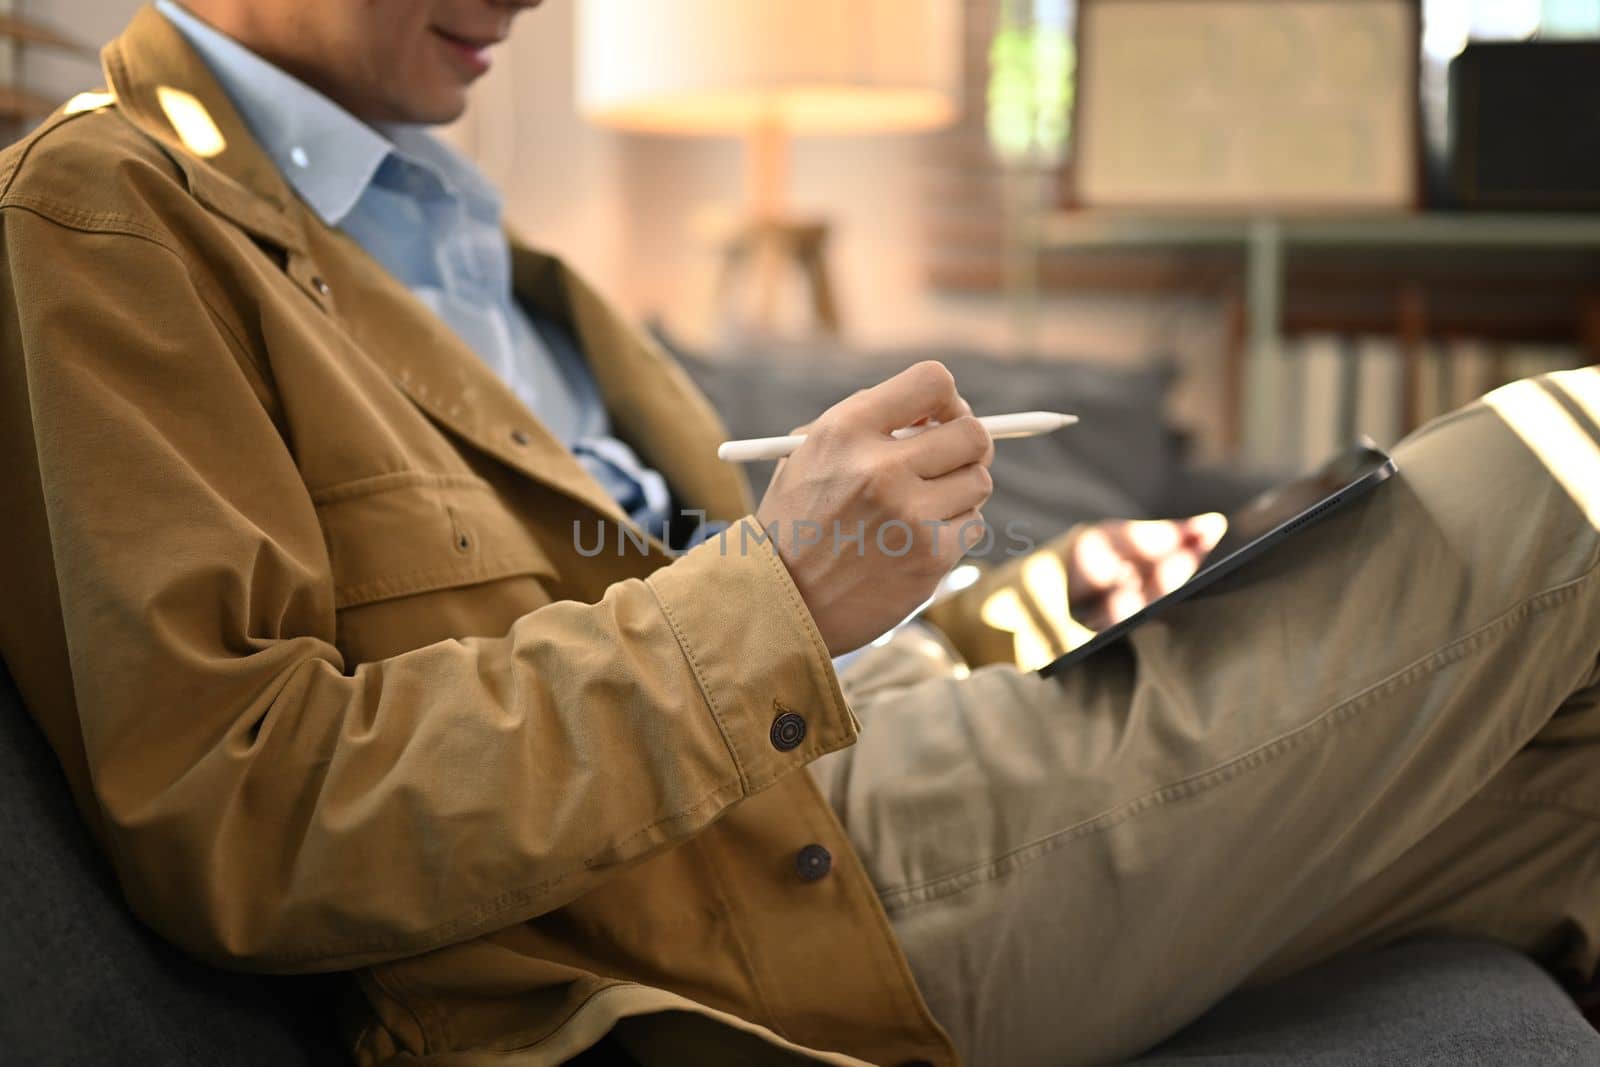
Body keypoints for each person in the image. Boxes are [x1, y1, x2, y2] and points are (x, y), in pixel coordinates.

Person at [1, 2, 1596, 1065]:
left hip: (864, 780)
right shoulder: (107, 222)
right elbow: (250, 814)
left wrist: (1022, 608)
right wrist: (772, 597)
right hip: (750, 901)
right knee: (1560, 485)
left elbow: (707, 597)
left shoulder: (478, 245)